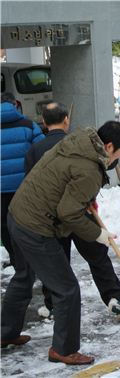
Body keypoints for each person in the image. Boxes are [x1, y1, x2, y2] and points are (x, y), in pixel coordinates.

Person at [1, 121, 120, 365]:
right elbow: (68, 213)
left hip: (18, 214)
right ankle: (63, 349)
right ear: (109, 146)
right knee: (67, 289)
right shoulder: (90, 169)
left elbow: (65, 186)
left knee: (23, 276)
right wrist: (98, 235)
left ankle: (5, 334)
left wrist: (83, 200)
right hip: (36, 226)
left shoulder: (77, 142)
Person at [24, 102, 120, 320]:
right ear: (66, 121)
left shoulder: (37, 149)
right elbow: (89, 172)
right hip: (75, 213)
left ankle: (52, 304)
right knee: (98, 254)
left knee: (58, 263)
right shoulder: (73, 144)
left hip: (53, 217)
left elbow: (34, 183)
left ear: (43, 122)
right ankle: (113, 297)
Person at [0, 92, 44, 267]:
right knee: (27, 222)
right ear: (15, 104)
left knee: (4, 224)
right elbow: (42, 151)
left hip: (1, 188)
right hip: (24, 185)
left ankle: (15, 259)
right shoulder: (29, 125)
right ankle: (30, 258)